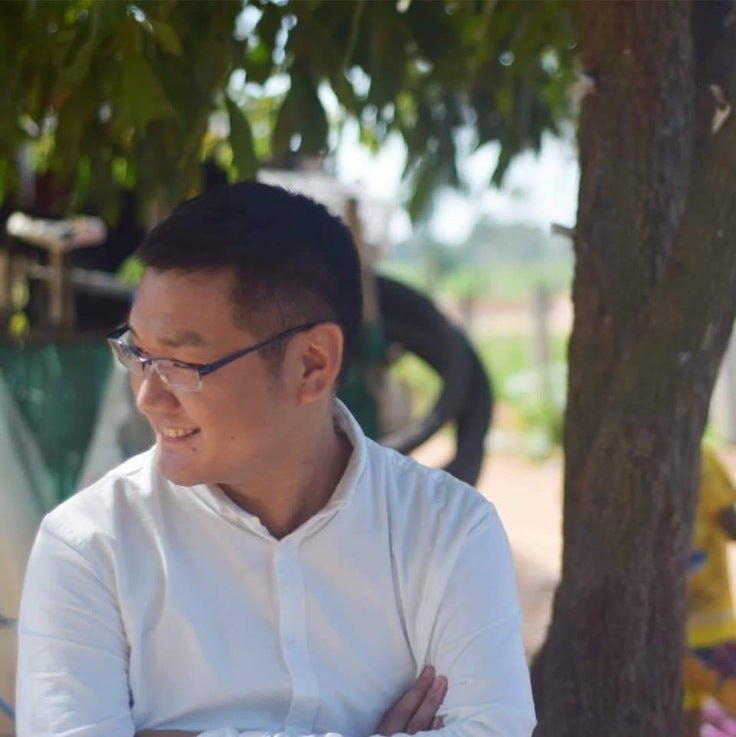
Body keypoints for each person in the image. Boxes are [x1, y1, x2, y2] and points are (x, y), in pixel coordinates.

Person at [15, 181, 535, 736]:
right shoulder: (90, 547)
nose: (148, 395)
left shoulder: (448, 532)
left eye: (182, 365)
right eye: (137, 352)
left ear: (313, 363)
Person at [684, 445, 736, 737]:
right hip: (714, 634)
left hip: (670, 636)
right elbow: (731, 523)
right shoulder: (699, 458)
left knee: (686, 718)